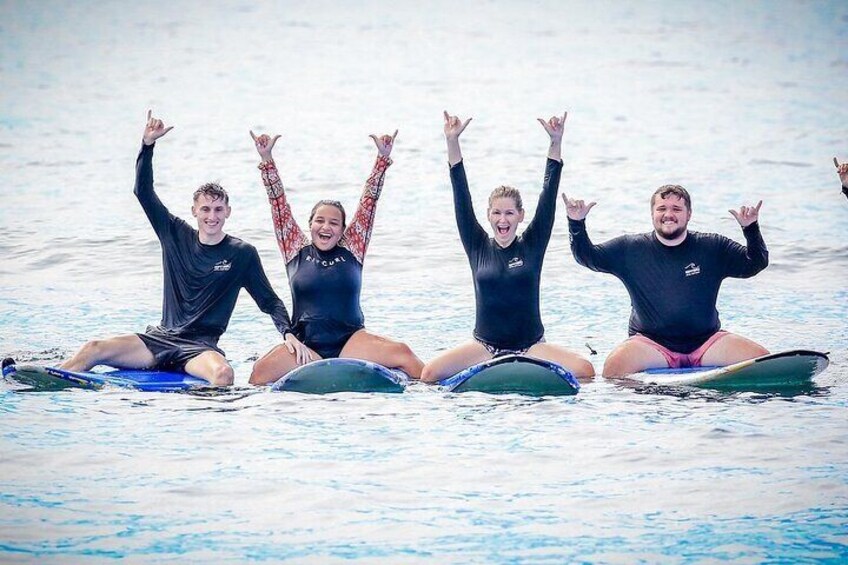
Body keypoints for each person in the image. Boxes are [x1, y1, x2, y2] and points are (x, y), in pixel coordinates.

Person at [60, 111, 302, 386]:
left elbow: (269, 301)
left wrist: (288, 333)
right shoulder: (174, 233)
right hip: (159, 340)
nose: (212, 216)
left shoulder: (241, 253)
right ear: (194, 211)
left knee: (223, 375)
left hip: (199, 348)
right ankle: (55, 374)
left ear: (228, 212)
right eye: (206, 209)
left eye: (218, 209)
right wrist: (148, 145)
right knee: (93, 348)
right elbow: (143, 192)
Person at [419, 112, 595, 384]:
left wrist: (555, 142)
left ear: (520, 216)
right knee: (429, 375)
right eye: (497, 213)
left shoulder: (532, 244)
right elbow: (461, 194)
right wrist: (452, 141)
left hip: (532, 346)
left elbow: (548, 195)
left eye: (510, 214)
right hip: (485, 346)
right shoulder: (477, 245)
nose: (503, 220)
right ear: (488, 215)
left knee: (585, 370)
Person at [247, 129, 424, 385]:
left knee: (404, 354)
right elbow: (278, 204)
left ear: (343, 230)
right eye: (320, 220)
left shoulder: (352, 247)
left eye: (334, 223)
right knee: (258, 373)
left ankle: (436, 392)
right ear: (310, 224)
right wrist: (266, 160)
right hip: (305, 348)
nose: (326, 227)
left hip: (351, 342)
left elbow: (369, 203)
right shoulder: (295, 249)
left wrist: (382, 160)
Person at [564, 184, 769, 377]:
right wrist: (576, 223)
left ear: (689, 214)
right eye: (661, 208)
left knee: (765, 361)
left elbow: (755, 263)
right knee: (613, 370)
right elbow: (587, 257)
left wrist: (750, 229)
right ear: (652, 214)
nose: (668, 214)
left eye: (677, 209)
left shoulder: (712, 246)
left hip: (708, 344)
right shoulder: (630, 249)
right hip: (650, 346)